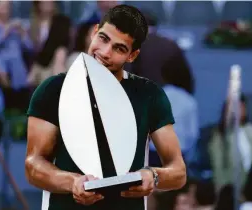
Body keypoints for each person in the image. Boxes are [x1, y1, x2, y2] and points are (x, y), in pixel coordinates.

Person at [25, 5, 186, 210]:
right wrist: (72, 182)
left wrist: (153, 176)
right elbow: (33, 166)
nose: (105, 52)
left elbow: (178, 171)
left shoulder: (148, 95)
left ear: (132, 56)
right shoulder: (52, 90)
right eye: (103, 38)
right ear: (94, 32)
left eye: (119, 48)